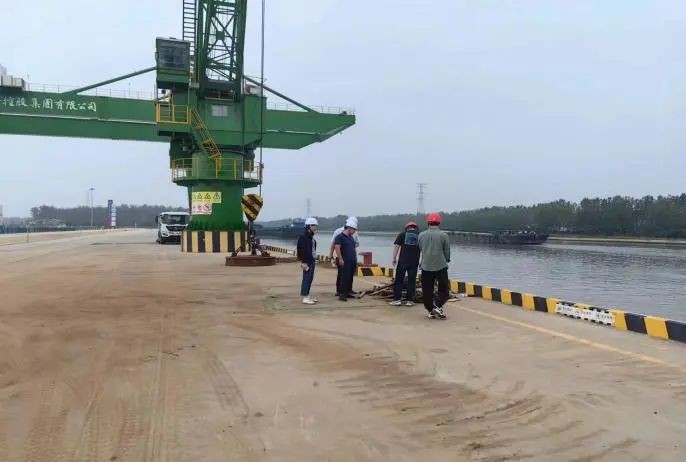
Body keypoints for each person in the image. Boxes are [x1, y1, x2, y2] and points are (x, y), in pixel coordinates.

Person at [418, 212, 450, 319]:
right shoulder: (443, 235)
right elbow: (447, 251)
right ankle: (438, 305)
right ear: (439, 222)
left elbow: (421, 249)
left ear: (428, 222)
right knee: (444, 290)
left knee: (427, 290)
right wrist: (447, 259)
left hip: (426, 266)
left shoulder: (421, 235)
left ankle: (431, 310)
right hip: (440, 266)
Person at [389, 222, 421, 306]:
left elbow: (397, 246)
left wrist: (394, 258)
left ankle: (397, 300)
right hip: (414, 262)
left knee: (399, 280)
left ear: (406, 228)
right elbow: (424, 249)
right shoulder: (420, 235)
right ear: (416, 228)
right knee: (412, 281)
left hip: (403, 261)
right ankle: (410, 301)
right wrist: (423, 261)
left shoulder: (402, 234)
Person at [328, 216, 359, 296]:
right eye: (354, 229)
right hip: (343, 257)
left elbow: (355, 246)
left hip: (351, 258)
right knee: (342, 275)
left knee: (349, 275)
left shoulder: (353, 235)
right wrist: (331, 255)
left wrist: (355, 258)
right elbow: (334, 245)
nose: (355, 231)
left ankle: (348, 290)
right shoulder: (338, 232)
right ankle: (340, 291)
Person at [297, 217, 319, 305]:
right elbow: (301, 250)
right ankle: (305, 297)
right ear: (309, 226)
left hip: (312, 260)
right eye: (314, 226)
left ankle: (307, 295)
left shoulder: (311, 238)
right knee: (306, 278)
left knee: (310, 278)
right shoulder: (304, 237)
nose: (316, 228)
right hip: (307, 261)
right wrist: (303, 262)